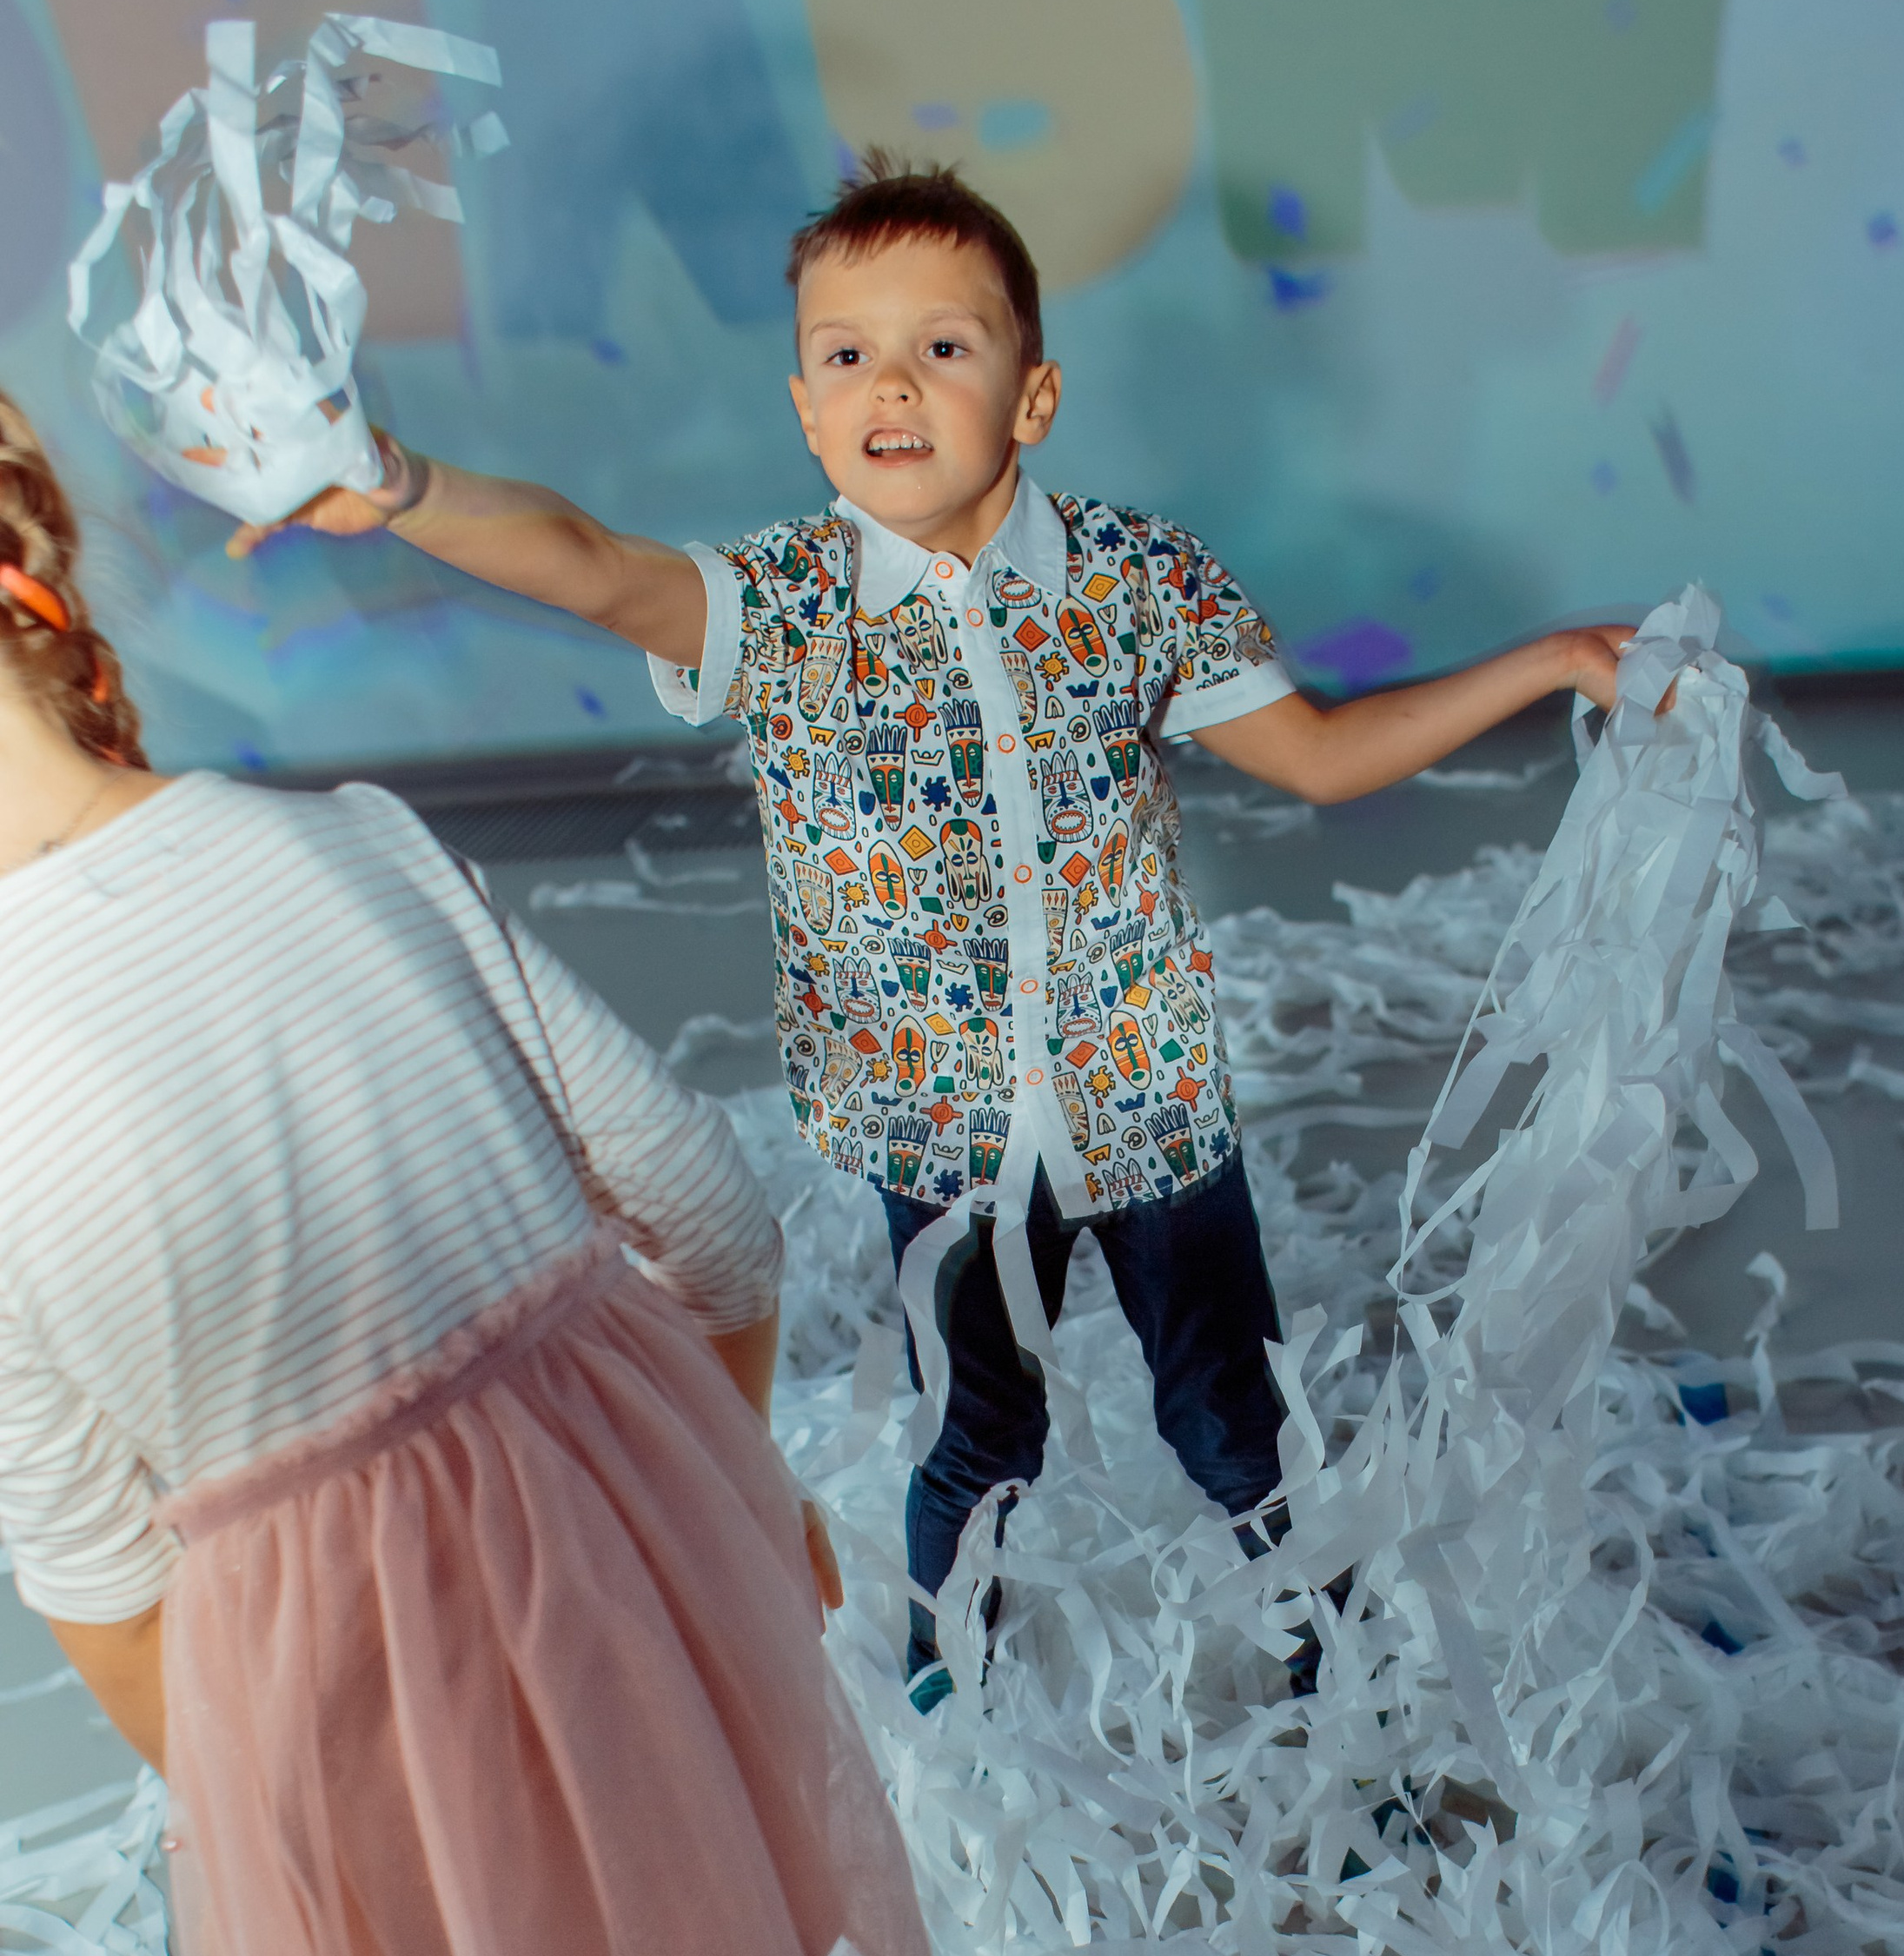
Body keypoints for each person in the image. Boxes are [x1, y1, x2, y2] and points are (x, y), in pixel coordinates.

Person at [0, 394, 955, 1956]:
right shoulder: (337, 845)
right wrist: (725, 1501)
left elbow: (90, 1561)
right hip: (607, 1552)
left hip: (320, 1702)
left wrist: (293, 1849)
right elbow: (700, 1200)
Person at [233, 155, 1640, 1709]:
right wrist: (402, 482)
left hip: (1147, 1103)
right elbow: (587, 561)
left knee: (1234, 1417)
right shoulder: (786, 607)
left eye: (943, 348)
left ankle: (1344, 1687)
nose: (890, 384)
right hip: (947, 1132)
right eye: (849, 355)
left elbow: (1314, 752)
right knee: (982, 1434)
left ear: (1032, 398)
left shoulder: (1140, 582)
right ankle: (953, 1705)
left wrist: (1553, 658)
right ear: (804, 404)